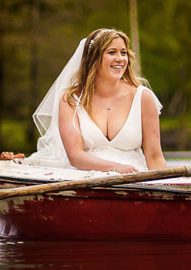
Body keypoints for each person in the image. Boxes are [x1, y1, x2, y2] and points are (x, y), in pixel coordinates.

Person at [17, 28, 168, 172]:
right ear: (94, 58)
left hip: (134, 177)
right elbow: (75, 155)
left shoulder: (143, 97)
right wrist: (116, 168)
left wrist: (171, 185)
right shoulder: (70, 99)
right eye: (111, 52)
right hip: (85, 176)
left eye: (123, 53)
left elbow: (155, 157)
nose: (120, 59)